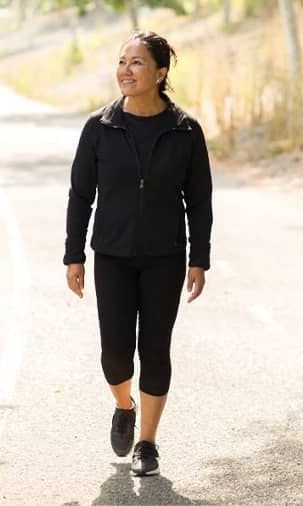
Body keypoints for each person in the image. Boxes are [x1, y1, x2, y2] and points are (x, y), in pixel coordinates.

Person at [63, 31, 213, 477]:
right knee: (115, 354)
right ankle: (123, 405)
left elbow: (200, 200)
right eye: (122, 62)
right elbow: (79, 196)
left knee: (156, 349)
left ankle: (147, 444)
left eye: (137, 63)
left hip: (165, 256)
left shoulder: (185, 131)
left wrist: (198, 258)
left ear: (160, 73)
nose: (125, 70)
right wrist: (74, 256)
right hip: (111, 254)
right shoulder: (100, 128)